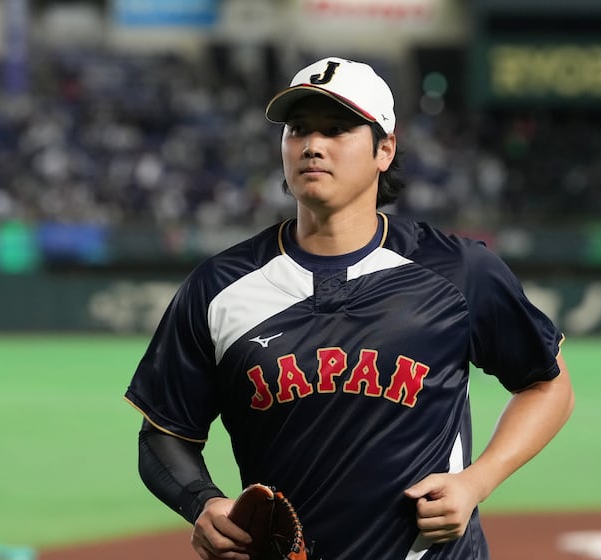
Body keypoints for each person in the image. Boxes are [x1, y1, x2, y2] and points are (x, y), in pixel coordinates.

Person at [124, 56, 575, 560]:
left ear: (385, 149)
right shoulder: (220, 287)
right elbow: (163, 434)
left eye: (337, 129)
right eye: (297, 130)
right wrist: (202, 502)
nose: (312, 145)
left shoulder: (457, 273)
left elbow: (548, 384)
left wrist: (477, 482)